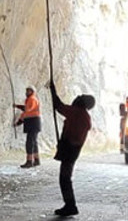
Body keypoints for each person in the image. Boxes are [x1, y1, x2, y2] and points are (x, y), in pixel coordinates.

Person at [50, 81, 96, 217]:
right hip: (74, 150)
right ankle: (70, 205)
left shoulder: (77, 113)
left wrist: (53, 91)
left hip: (70, 149)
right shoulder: (85, 116)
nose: (76, 98)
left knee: (64, 178)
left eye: (79, 98)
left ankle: (70, 205)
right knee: (65, 177)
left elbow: (59, 107)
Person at [13, 86, 41, 168]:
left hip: (34, 123)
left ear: (32, 92)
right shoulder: (29, 100)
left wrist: (17, 106)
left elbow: (27, 109)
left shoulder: (32, 99)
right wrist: (18, 123)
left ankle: (29, 162)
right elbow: (25, 114)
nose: (27, 92)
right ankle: (36, 160)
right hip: (33, 123)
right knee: (33, 142)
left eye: (29, 91)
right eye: (27, 91)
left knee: (30, 143)